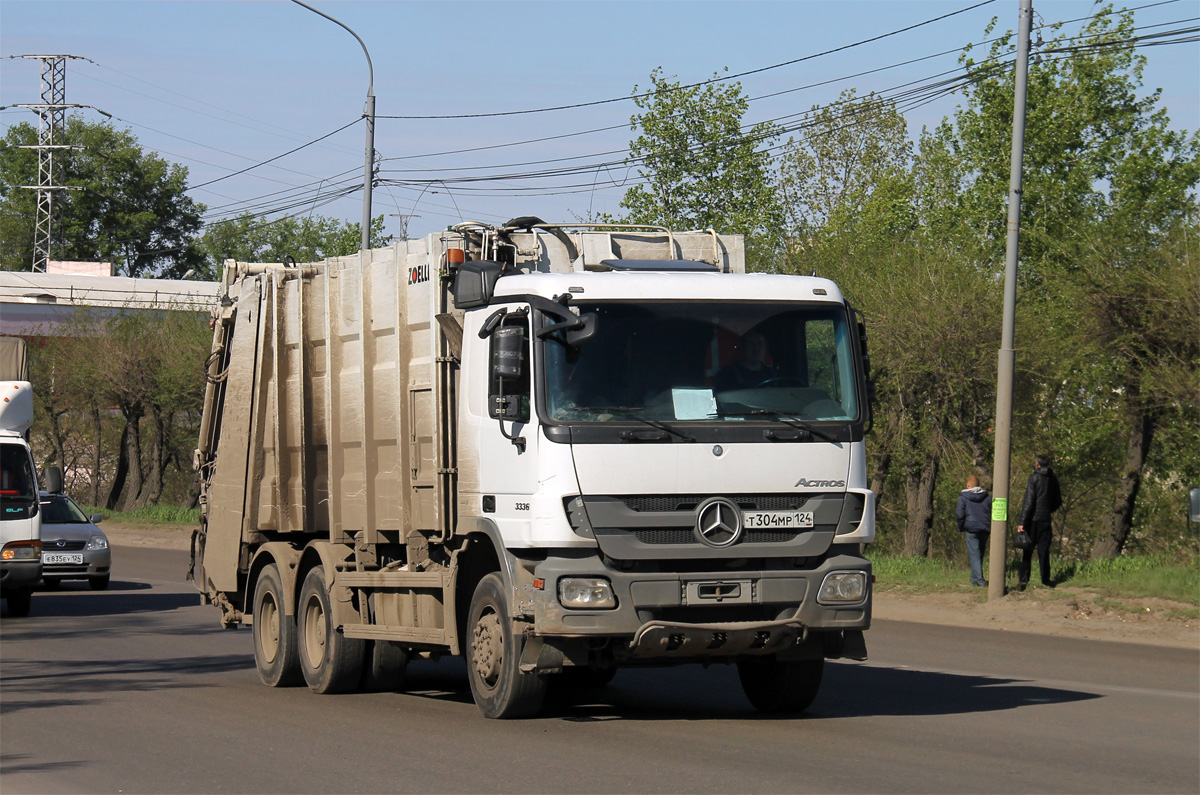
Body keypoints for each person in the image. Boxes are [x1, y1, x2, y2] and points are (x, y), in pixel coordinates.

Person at [1016, 453, 1063, 590]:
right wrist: (1048, 510)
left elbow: (1029, 502)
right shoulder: (1053, 479)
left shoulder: (1034, 478)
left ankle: (1023, 581)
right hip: (1045, 519)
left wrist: (1022, 522)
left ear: (1037, 464)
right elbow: (1058, 501)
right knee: (1044, 551)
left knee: (1027, 552)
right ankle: (1046, 580)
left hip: (1032, 520)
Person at [955, 475, 992, 587]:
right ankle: (975, 579)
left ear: (968, 485)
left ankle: (979, 580)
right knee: (979, 553)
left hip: (971, 528)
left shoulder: (963, 497)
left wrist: (961, 526)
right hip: (985, 528)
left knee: (974, 554)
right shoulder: (987, 497)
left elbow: (959, 514)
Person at [714, 330, 779, 392]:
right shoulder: (727, 375)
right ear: (743, 347)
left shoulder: (773, 375)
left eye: (760, 343)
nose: (756, 348)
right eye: (750, 343)